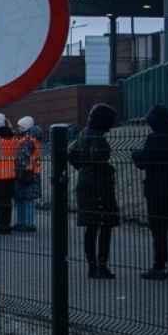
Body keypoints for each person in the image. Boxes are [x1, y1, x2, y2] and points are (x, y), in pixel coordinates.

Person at [69, 103, 121, 279]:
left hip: (85, 183)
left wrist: (82, 168)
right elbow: (98, 159)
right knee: (105, 225)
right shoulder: (98, 138)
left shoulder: (83, 134)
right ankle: (102, 265)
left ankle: (92, 266)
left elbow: (71, 153)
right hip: (100, 185)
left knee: (90, 227)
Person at [133, 104, 168, 279]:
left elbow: (144, 162)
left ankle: (159, 265)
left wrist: (137, 155)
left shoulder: (153, 139)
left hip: (155, 189)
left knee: (158, 229)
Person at [0, 112, 21, 234]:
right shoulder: (13, 138)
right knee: (7, 201)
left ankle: (1, 225)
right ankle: (7, 224)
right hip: (11, 173)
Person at [13, 117, 44, 233]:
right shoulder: (34, 139)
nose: (18, 129)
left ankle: (25, 223)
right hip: (32, 172)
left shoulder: (28, 140)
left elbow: (22, 157)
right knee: (27, 199)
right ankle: (27, 223)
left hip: (25, 172)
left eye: (20, 127)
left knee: (23, 199)